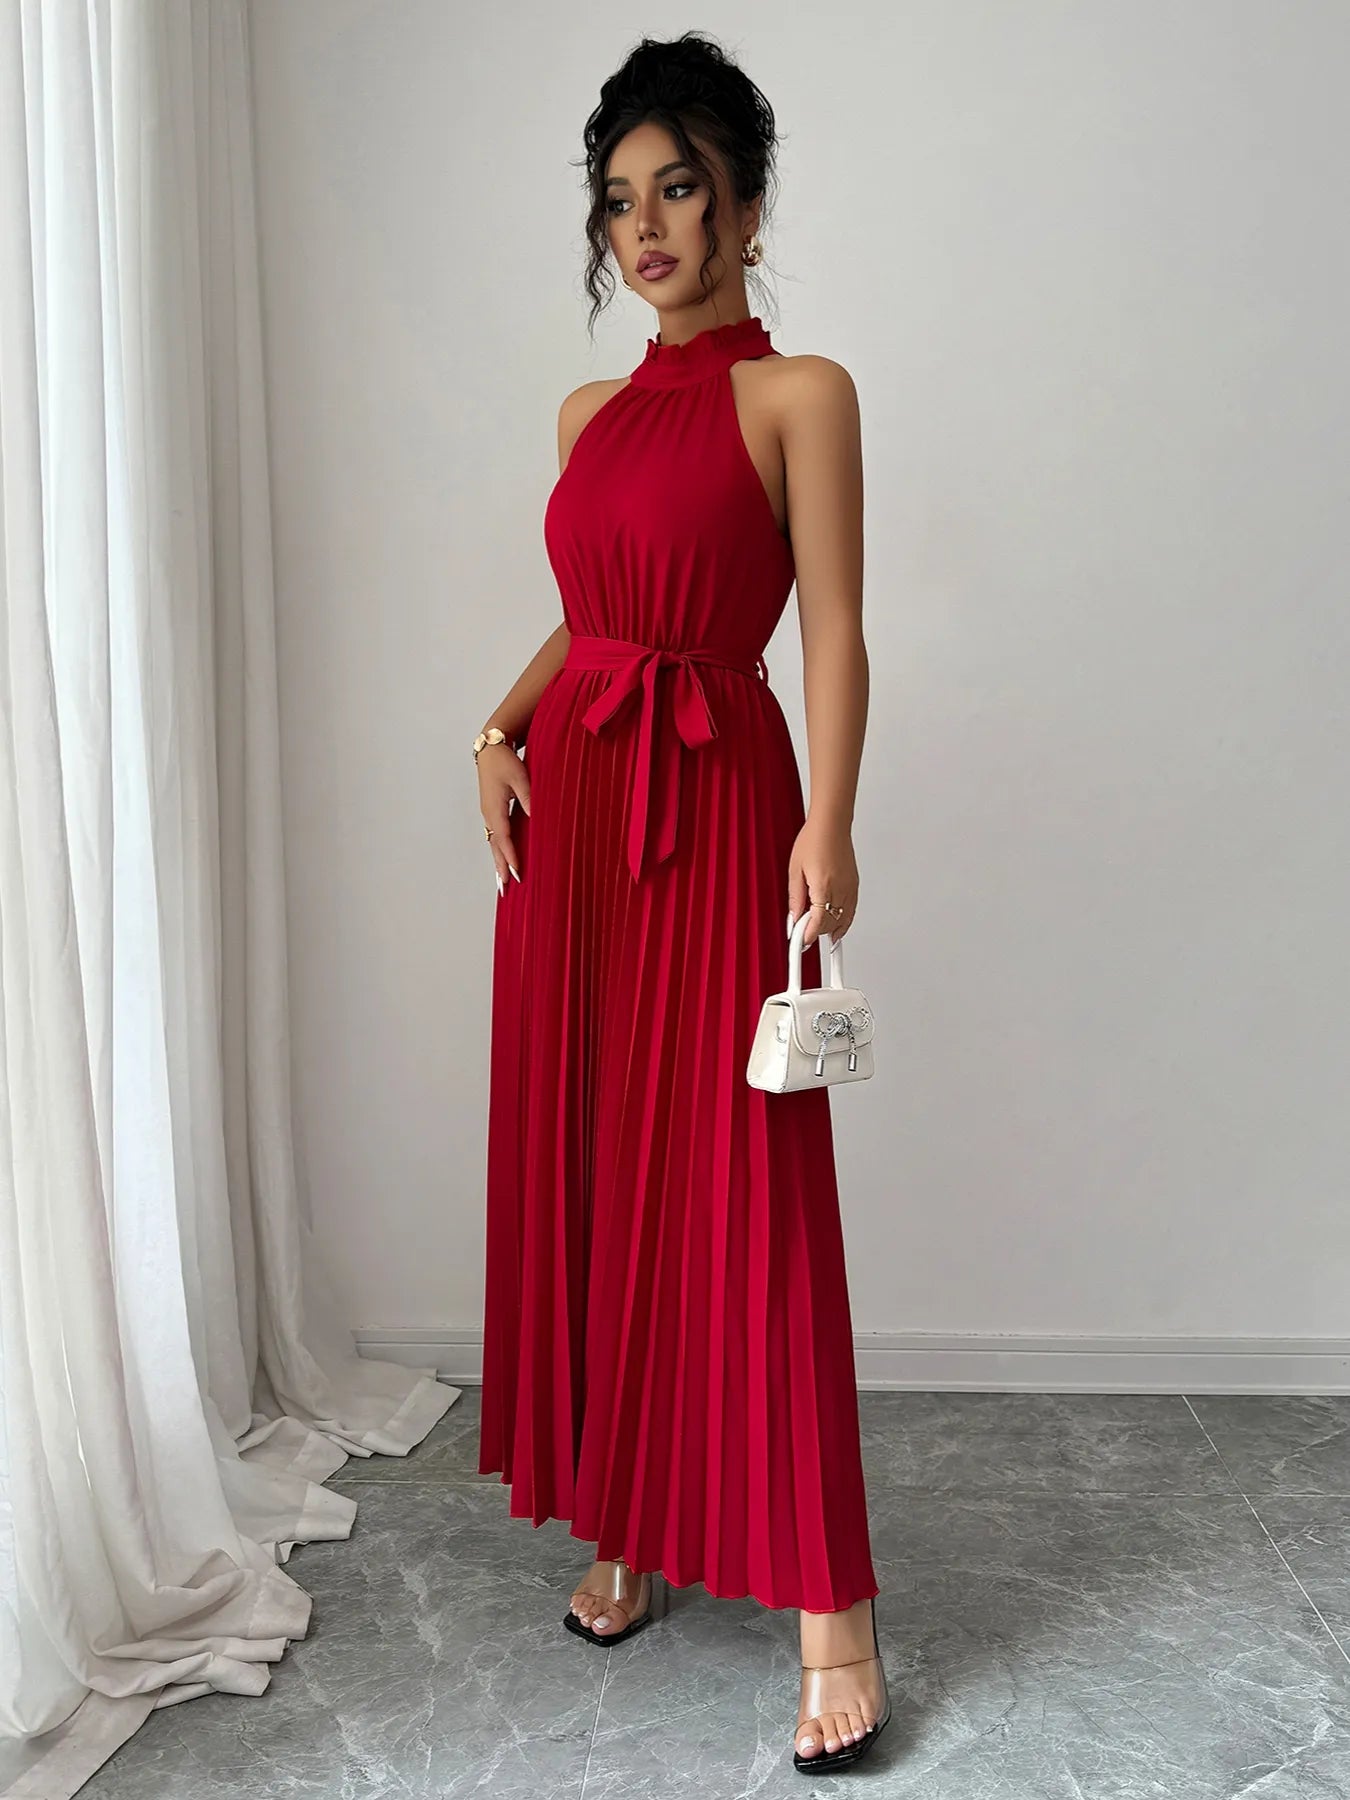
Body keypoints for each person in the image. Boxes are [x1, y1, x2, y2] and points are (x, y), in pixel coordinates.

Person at [473, 31, 889, 1772]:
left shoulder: (802, 396)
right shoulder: (584, 413)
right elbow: (595, 606)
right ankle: (626, 1524)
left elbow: (836, 629)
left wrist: (838, 821)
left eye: (679, 190)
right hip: (575, 812)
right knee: (601, 1159)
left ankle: (831, 1612)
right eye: (620, 199)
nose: (645, 226)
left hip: (722, 801)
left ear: (746, 202)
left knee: (745, 1174)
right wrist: (498, 718)